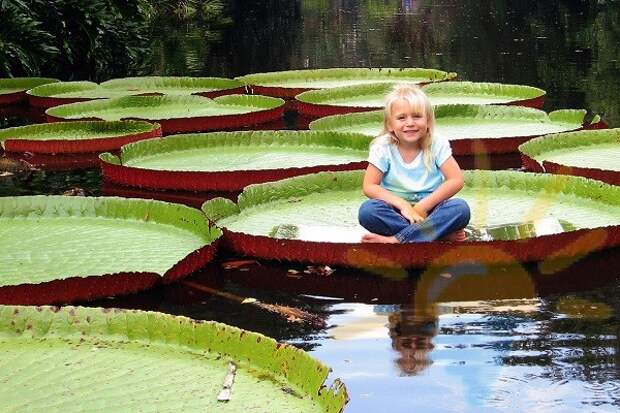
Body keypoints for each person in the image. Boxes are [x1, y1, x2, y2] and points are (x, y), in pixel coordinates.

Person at [358, 83, 470, 243]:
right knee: (368, 211)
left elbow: (456, 180)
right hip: (397, 211)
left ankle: (398, 240)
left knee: (460, 208)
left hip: (431, 210)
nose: (410, 123)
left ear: (428, 121)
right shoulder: (382, 147)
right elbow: (370, 186)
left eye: (417, 116)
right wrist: (404, 206)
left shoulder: (437, 144)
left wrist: (421, 207)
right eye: (401, 118)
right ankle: (436, 235)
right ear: (390, 125)